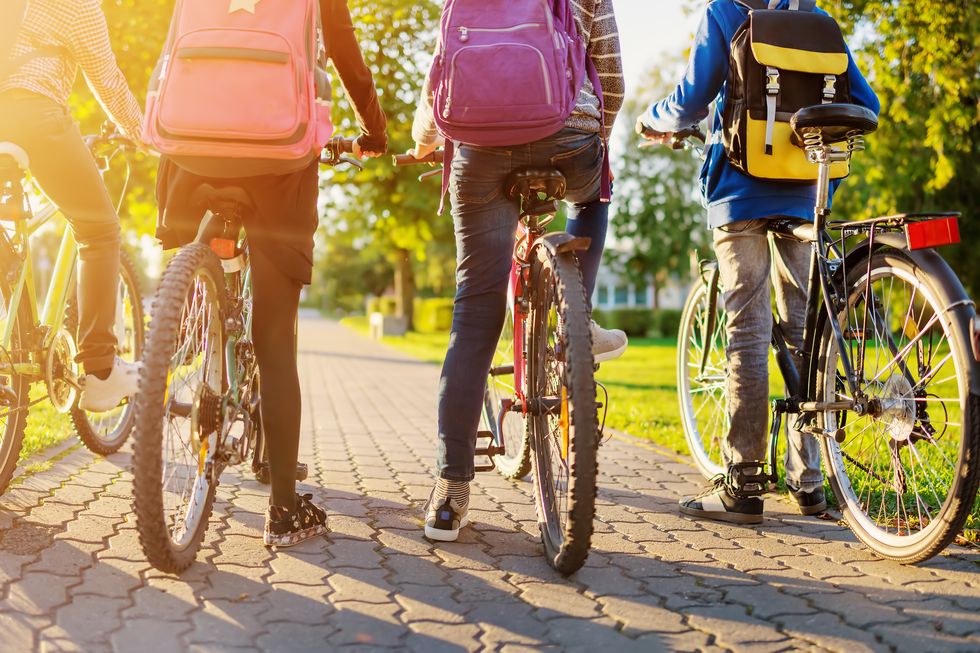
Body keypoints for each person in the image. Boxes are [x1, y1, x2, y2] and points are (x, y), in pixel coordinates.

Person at [637, 0, 880, 524]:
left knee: (745, 331)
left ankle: (742, 484)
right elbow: (865, 101)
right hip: (805, 195)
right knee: (804, 333)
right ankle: (809, 483)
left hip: (740, 196)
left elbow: (689, 102)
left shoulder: (725, 13)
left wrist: (651, 119)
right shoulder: (816, 19)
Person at [155, 0, 387, 548]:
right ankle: (283, 510)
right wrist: (373, 129)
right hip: (280, 160)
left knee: (187, 271)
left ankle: (191, 323)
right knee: (275, 339)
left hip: (192, 150)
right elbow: (346, 55)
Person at [411, 0, 626, 542]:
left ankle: (450, 488)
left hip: (481, 143)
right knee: (593, 196)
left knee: (476, 312)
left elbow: (445, 60)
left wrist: (425, 139)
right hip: (568, 134)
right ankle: (577, 327)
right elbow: (613, 76)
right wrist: (598, 130)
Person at [0, 0, 144, 412]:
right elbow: (107, 80)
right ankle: (100, 374)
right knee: (99, 230)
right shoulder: (78, 4)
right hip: (34, 114)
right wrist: (146, 134)